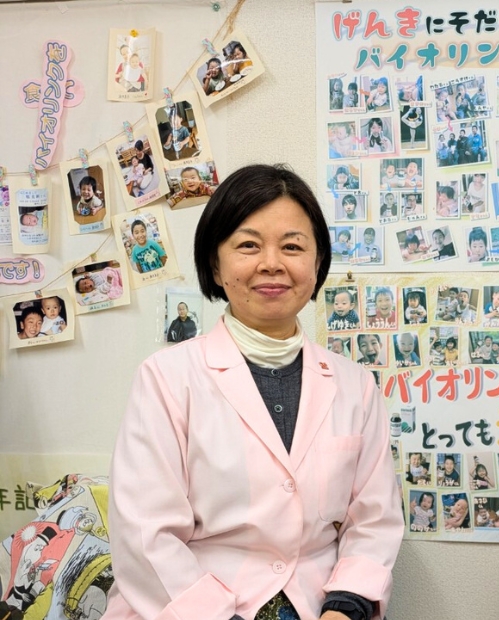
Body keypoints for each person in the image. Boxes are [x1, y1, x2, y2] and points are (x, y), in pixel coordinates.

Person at [107, 164, 403, 620]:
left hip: (320, 606)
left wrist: (344, 609)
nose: (272, 263)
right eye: (248, 245)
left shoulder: (355, 386)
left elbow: (374, 522)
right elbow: (146, 536)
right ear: (215, 264)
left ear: (317, 264)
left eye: (293, 246)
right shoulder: (166, 378)